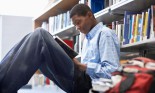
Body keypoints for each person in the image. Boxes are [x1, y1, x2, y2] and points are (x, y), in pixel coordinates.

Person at [0, 4, 120, 93]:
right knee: (39, 51)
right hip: (80, 81)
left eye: (78, 22)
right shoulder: (87, 39)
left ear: (89, 15)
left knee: (40, 35)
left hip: (89, 84)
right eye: (75, 25)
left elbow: (113, 73)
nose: (77, 28)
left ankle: (3, 85)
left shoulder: (105, 34)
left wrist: (82, 66)